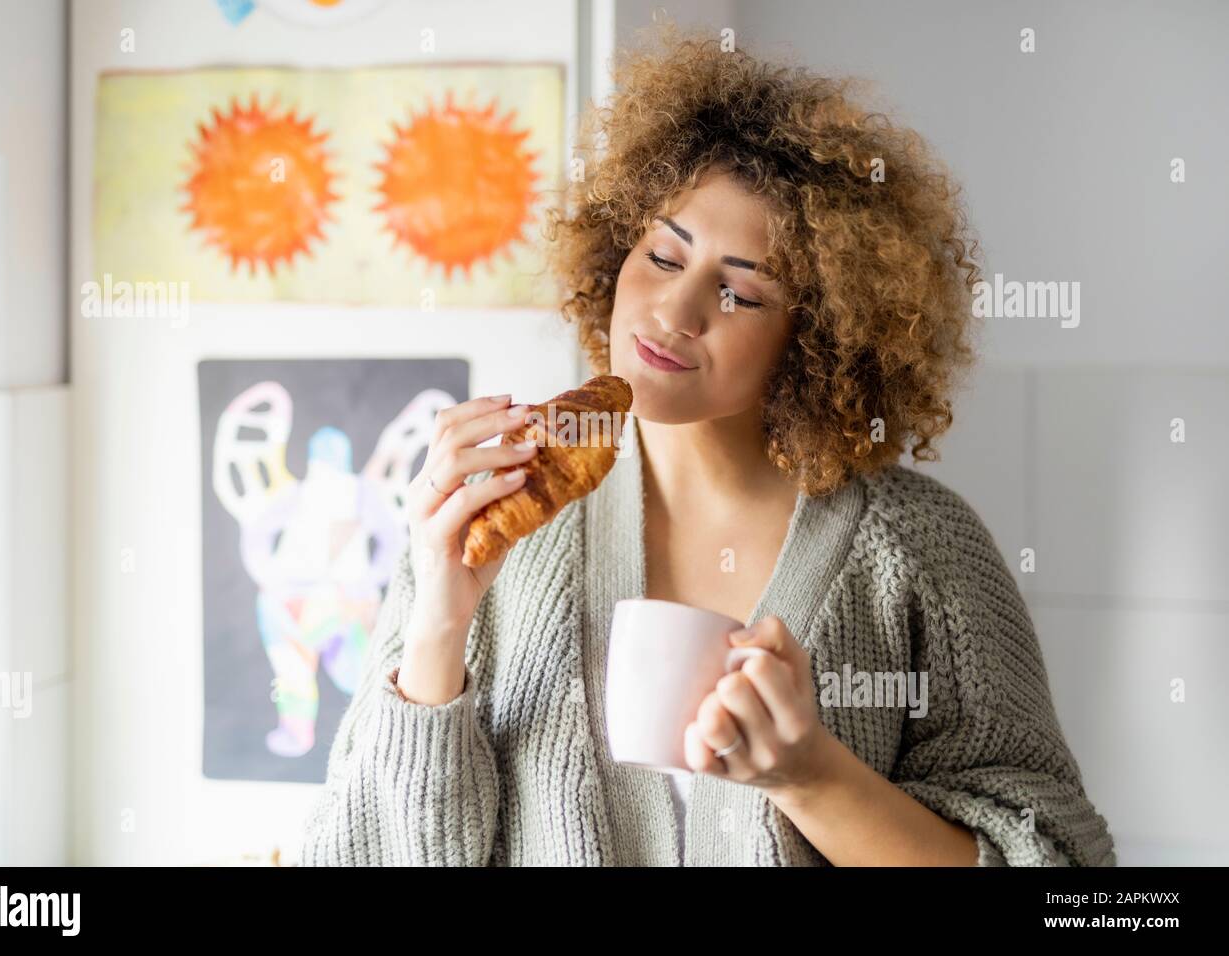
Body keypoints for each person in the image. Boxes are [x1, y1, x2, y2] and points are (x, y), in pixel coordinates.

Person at [298, 24, 1116, 867]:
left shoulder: (920, 554)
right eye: (661, 254)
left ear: (816, 338)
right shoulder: (501, 518)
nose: (676, 312)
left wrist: (810, 777)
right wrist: (438, 622)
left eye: (740, 293)